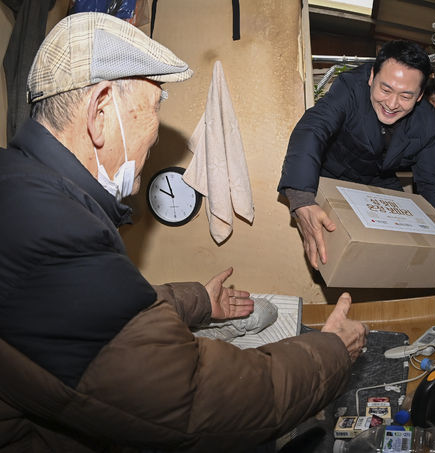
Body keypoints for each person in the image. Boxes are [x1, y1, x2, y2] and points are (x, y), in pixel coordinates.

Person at [0, 12, 367, 452]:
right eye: (155, 107)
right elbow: (199, 402)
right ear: (100, 112)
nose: (156, 135)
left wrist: (199, 301)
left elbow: (98, 315)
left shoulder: (24, 192)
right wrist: (332, 351)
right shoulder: (53, 233)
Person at [278, 40, 435, 270]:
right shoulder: (350, 86)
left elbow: (431, 184)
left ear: (420, 95)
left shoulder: (428, 123)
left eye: (406, 96)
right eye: (385, 90)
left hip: (379, 180)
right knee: (330, 252)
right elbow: (313, 128)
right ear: (372, 76)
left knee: (401, 243)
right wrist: (301, 198)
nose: (392, 104)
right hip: (332, 172)